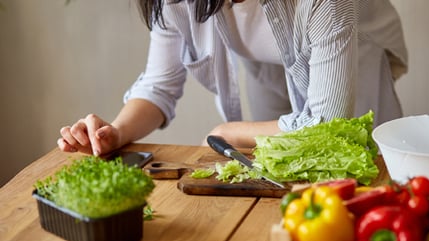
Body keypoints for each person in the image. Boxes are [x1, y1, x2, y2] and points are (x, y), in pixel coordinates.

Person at [57, 0, 407, 156]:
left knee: (360, 160)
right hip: (264, 59)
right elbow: (159, 85)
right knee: (279, 166)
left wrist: (228, 132)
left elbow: (327, 126)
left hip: (354, 50)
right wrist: (116, 133)